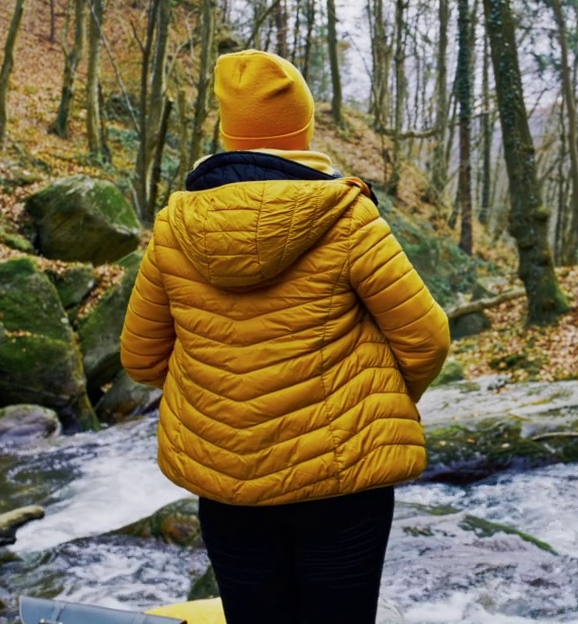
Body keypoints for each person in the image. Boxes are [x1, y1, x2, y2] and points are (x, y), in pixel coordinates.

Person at [120, 49, 451, 624]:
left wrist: (219, 399)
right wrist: (367, 402)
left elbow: (141, 357)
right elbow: (426, 339)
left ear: (229, 134)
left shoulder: (174, 227)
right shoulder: (347, 216)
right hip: (342, 485)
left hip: (228, 489)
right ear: (302, 132)